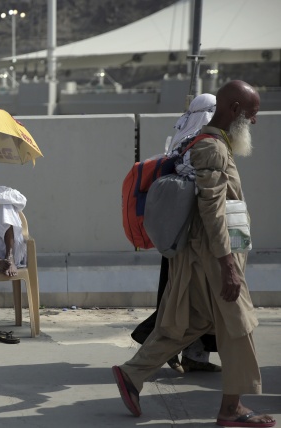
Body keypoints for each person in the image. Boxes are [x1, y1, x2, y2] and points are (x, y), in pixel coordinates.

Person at [112, 81, 276, 427]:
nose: (255, 121)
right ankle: (232, 410)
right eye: (252, 113)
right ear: (233, 110)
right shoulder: (213, 149)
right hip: (214, 257)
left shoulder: (204, 143)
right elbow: (212, 210)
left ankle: (132, 374)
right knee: (239, 325)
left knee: (190, 321)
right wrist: (228, 264)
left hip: (202, 255)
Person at [131, 93, 221, 374]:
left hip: (179, 231)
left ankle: (194, 356)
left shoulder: (182, 139)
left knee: (192, 298)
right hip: (190, 235)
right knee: (185, 299)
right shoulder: (199, 143)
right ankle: (153, 343)